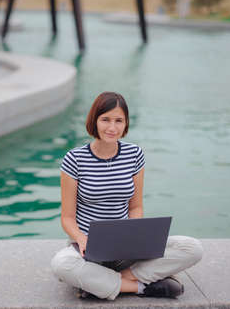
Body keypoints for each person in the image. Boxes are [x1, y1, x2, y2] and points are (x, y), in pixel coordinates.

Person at [50, 92, 203, 300]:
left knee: (192, 248)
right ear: (94, 120)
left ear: (126, 124)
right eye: (105, 119)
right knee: (61, 264)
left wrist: (134, 235)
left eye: (119, 121)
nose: (112, 128)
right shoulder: (75, 158)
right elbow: (67, 217)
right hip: (87, 250)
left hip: (125, 250)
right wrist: (81, 238)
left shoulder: (134, 154)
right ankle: (141, 287)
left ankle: (105, 282)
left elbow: (135, 207)